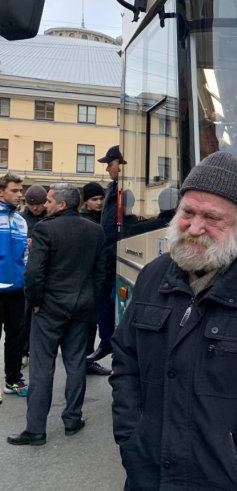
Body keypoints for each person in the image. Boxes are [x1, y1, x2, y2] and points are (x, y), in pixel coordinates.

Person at [110, 151, 237, 490]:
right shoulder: (153, 276)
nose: (195, 227)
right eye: (188, 212)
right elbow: (125, 359)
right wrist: (131, 437)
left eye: (212, 218)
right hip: (149, 475)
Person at [7, 184, 106, 446]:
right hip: (82, 307)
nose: (46, 204)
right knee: (76, 365)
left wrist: (35, 302)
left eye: (50, 200)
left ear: (62, 205)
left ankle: (36, 429)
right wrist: (90, 301)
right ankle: (73, 419)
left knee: (42, 368)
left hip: (49, 308)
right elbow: (101, 272)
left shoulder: (45, 229)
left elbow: (34, 272)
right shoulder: (95, 231)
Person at [88, 145, 125, 364]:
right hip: (108, 254)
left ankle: (114, 343)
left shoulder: (129, 189)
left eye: (109, 164)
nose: (107, 169)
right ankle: (106, 342)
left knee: (113, 301)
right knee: (104, 300)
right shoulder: (113, 188)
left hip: (118, 252)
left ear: (121, 164)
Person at [0, 173, 29, 399]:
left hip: (17, 292)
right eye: (15, 190)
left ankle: (13, 380)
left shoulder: (20, 220)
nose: (20, 195)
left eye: (21, 191)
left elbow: (24, 257)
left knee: (16, 339)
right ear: (1, 191)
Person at [80, 181, 110, 375]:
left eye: (101, 198)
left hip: (97, 278)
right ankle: (83, 360)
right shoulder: (84, 221)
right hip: (86, 279)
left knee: (92, 323)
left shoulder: (103, 219)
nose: (99, 202)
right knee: (85, 324)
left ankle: (87, 359)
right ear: (85, 202)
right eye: (94, 199)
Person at [20, 185, 47, 364]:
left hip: (46, 273)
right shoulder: (21, 219)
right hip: (26, 272)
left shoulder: (51, 217)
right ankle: (24, 350)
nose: (35, 208)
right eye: (31, 205)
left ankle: (40, 349)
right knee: (25, 316)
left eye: (38, 204)